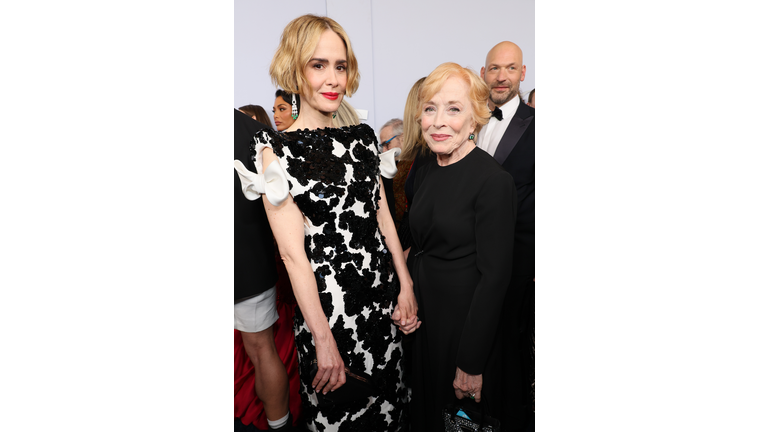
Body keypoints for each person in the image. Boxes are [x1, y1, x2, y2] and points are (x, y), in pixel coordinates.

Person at [249, 14, 419, 431]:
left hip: (385, 308)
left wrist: (406, 286)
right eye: (318, 65)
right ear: (295, 68)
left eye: (340, 66)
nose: (333, 79)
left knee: (395, 414)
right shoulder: (276, 151)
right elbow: (292, 255)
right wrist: (323, 340)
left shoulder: (362, 136)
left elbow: (384, 218)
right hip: (330, 318)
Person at [407, 62, 517, 431]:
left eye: (454, 109)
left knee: (458, 421)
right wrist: (404, 294)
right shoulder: (426, 168)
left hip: (464, 330)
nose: (438, 121)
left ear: (475, 120)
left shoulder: (492, 181)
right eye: (430, 108)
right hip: (425, 324)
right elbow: (417, 245)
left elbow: (495, 278)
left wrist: (471, 362)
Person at [477, 41, 535, 431]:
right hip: (469, 257)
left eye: (510, 69)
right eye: (494, 69)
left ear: (523, 74)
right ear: (484, 74)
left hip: (518, 259)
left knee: (512, 350)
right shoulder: (467, 118)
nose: (501, 77)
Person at [233, 108, 295, 431]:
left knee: (261, 352)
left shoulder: (254, 132)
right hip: (249, 262)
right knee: (261, 351)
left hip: (247, 262)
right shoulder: (252, 131)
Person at [378, 119, 404, 227]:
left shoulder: (420, 166)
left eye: (387, 144)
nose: (384, 151)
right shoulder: (387, 171)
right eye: (382, 146)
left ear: (403, 138)